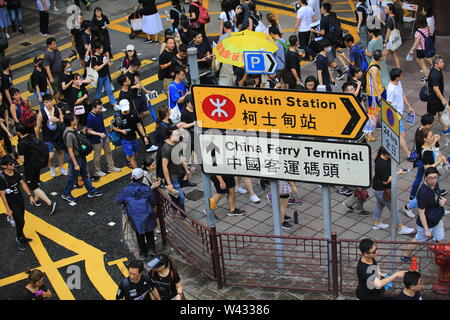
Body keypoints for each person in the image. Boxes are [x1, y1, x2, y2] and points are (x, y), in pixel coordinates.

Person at [401, 167, 447, 264]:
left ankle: (439, 255)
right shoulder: (423, 192)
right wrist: (426, 229)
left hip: (436, 218)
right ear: (425, 178)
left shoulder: (435, 184)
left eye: (435, 177)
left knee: (440, 239)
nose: (433, 180)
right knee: (418, 240)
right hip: (426, 223)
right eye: (430, 178)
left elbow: (437, 195)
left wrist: (443, 200)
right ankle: (405, 256)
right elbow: (421, 212)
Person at [116, 168, 160, 258]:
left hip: (135, 216)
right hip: (147, 214)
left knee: (139, 235)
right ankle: (152, 250)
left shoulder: (127, 190)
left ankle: (143, 253)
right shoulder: (146, 188)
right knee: (149, 233)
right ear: (142, 178)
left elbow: (118, 200)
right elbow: (154, 201)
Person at [61, 113, 104, 203]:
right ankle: (66, 194)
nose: (76, 120)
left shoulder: (72, 130)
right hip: (76, 159)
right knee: (73, 177)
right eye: (74, 119)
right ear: (71, 121)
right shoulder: (69, 134)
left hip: (80, 156)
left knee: (85, 173)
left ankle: (91, 190)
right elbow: (70, 150)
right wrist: (75, 164)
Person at [371, 146, 415, 235]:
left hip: (378, 188)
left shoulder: (381, 158)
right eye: (391, 154)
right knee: (394, 208)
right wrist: (398, 173)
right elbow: (385, 181)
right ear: (385, 154)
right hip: (382, 190)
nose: (392, 156)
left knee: (380, 204)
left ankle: (376, 223)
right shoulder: (381, 164)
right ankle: (400, 227)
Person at [16, 123, 57, 215]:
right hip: (37, 163)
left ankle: (50, 203)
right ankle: (36, 200)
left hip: (29, 167)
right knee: (36, 182)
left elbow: (21, 160)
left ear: (18, 132)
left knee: (33, 186)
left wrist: (17, 152)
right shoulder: (32, 137)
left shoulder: (21, 144)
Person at [0, 156, 36, 251]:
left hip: (20, 199)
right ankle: (19, 238)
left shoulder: (15, 171)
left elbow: (22, 183)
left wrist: (30, 196)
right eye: (10, 164)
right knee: (20, 221)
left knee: (21, 220)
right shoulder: (2, 178)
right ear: (4, 166)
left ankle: (22, 237)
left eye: (13, 162)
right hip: (12, 203)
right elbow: (2, 195)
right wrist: (8, 209)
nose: (13, 164)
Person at [311, 3, 347, 81]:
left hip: (327, 42)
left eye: (321, 8)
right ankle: (331, 73)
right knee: (329, 58)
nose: (320, 10)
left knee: (330, 59)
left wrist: (315, 31)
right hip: (334, 41)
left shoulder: (324, 20)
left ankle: (339, 73)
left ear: (324, 10)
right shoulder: (332, 17)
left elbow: (323, 33)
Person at [386, 68, 415, 160]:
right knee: (401, 135)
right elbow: (388, 104)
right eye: (401, 75)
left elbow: (402, 95)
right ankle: (408, 154)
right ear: (397, 77)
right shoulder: (391, 89)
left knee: (399, 134)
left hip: (400, 113)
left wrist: (409, 106)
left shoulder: (398, 83)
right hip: (396, 116)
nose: (402, 76)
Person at [86, 100, 121, 177]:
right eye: (99, 108)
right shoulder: (90, 118)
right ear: (93, 108)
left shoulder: (99, 113)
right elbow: (89, 131)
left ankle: (111, 167)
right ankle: (96, 171)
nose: (100, 109)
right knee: (97, 156)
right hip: (96, 139)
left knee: (108, 151)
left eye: (101, 108)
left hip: (104, 136)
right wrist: (99, 134)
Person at [34, 94, 66, 177]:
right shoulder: (41, 113)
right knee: (50, 155)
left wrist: (57, 120)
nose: (49, 103)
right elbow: (37, 128)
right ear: (44, 103)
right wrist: (37, 139)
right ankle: (51, 167)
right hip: (47, 136)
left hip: (57, 134)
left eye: (50, 101)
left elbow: (62, 120)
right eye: (46, 102)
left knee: (59, 152)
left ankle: (61, 167)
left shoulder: (57, 109)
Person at [112, 99, 149, 169]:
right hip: (125, 139)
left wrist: (144, 136)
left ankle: (129, 160)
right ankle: (136, 171)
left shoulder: (134, 113)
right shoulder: (118, 116)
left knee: (134, 154)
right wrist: (121, 131)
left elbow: (139, 125)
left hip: (134, 137)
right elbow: (113, 127)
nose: (125, 111)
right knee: (132, 157)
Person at [161, 126, 189, 213]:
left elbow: (180, 157)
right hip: (172, 178)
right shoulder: (166, 148)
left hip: (179, 174)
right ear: (170, 136)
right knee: (181, 196)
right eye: (176, 134)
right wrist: (169, 184)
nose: (179, 136)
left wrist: (186, 170)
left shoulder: (177, 143)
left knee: (176, 195)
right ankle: (183, 215)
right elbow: (164, 166)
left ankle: (174, 208)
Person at [91, 41, 118, 110]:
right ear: (97, 49)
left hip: (106, 76)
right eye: (101, 48)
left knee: (109, 90)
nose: (102, 49)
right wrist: (105, 63)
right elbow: (96, 68)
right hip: (99, 78)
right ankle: (98, 105)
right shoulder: (94, 58)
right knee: (98, 92)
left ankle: (114, 103)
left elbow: (106, 63)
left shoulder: (103, 55)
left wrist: (109, 63)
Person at [427, 56, 449, 135]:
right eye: (441, 62)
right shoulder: (435, 75)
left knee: (441, 113)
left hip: (438, 98)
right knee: (430, 117)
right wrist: (442, 99)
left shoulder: (436, 70)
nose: (443, 64)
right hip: (433, 99)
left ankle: (445, 129)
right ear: (436, 64)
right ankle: (424, 131)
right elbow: (436, 88)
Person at [408, 15, 434, 83]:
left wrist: (411, 50)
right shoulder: (427, 28)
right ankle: (433, 64)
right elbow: (430, 34)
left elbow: (416, 43)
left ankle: (427, 78)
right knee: (420, 60)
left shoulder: (418, 32)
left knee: (423, 65)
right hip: (426, 47)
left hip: (420, 49)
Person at [365, 50, 385, 127]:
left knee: (377, 107)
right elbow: (374, 82)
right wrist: (379, 94)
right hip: (374, 92)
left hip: (378, 89)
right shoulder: (374, 69)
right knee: (373, 109)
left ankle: (374, 122)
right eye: (382, 55)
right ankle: (371, 125)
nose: (384, 56)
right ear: (380, 58)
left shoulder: (373, 62)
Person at [43, 38, 63, 104]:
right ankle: (58, 102)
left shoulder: (56, 50)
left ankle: (61, 99)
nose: (56, 45)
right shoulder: (47, 55)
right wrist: (51, 77)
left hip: (60, 72)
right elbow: (47, 67)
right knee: (56, 90)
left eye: (56, 43)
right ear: (49, 45)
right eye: (54, 44)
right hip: (54, 75)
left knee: (61, 87)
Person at [382, 3, 401, 68]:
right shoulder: (393, 17)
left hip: (389, 41)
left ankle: (383, 71)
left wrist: (385, 41)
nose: (384, 9)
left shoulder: (389, 19)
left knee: (384, 55)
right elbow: (389, 26)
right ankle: (399, 69)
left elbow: (388, 32)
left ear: (391, 11)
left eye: (386, 9)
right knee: (394, 54)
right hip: (393, 40)